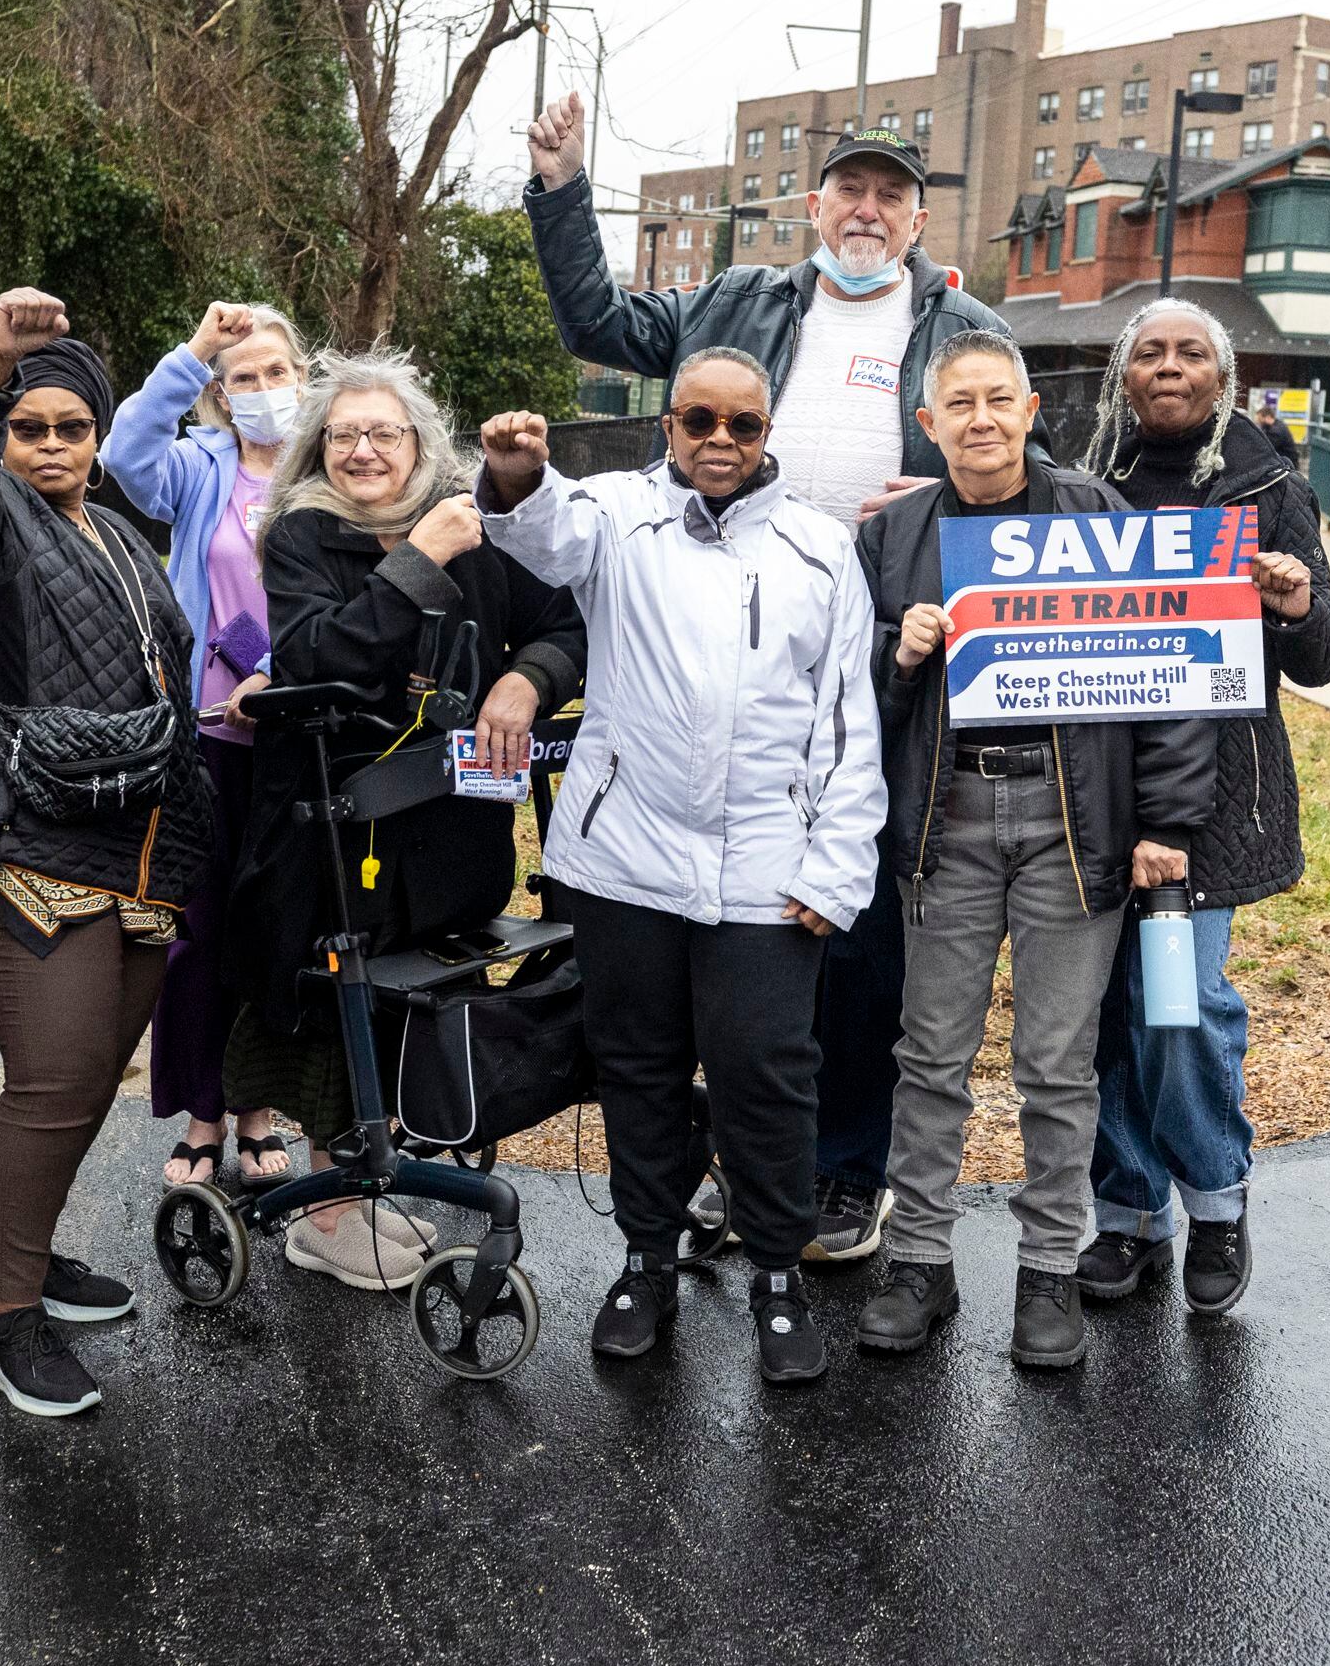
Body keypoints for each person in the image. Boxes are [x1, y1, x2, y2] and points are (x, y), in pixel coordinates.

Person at [524, 95, 1012, 1265]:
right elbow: (596, 319)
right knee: (717, 915)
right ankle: (736, 1162)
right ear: (813, 205)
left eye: (891, 193)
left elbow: (1012, 442)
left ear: (916, 218)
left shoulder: (963, 323)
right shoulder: (744, 299)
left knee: (852, 903)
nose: (868, 208)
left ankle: (839, 1170)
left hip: (898, 626)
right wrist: (561, 186)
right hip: (724, 613)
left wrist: (949, 485)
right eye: (850, 187)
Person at [474, 347, 885, 1386]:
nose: (719, 440)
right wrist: (518, 472)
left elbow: (847, 721)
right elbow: (539, 527)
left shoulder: (820, 546)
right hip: (627, 862)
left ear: (765, 436)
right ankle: (646, 1258)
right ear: (667, 427)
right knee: (640, 1069)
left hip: (767, 871)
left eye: (741, 424)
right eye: (698, 418)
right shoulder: (617, 514)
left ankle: (779, 1273)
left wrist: (835, 868)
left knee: (766, 1075)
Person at [855, 331, 1214, 1371]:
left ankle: (1049, 1269)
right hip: (947, 819)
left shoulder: (1096, 517)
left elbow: (1170, 674)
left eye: (997, 399)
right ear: (928, 424)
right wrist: (900, 654)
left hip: (1074, 825)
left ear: (1027, 411)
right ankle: (920, 1256)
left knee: (1059, 1065)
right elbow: (842, 692)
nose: (978, 417)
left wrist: (1165, 824)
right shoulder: (895, 533)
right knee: (930, 1056)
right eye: (957, 402)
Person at [0, 288, 213, 1421]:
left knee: (85, 1081)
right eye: (28, 426)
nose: (47, 447)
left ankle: (15, 1257)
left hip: (135, 847)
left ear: (97, 430)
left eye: (68, 427)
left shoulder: (118, 530)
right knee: (49, 1083)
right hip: (27, 840)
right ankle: (9, 1324)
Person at [222, 350, 585, 1293]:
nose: (363, 452)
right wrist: (419, 559)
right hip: (337, 831)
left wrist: (525, 677)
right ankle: (330, 1204)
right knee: (343, 998)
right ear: (318, 448)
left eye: (384, 433)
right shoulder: (302, 534)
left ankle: (392, 1164)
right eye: (343, 435)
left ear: (420, 442)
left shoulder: (480, 525)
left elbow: (567, 624)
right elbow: (312, 656)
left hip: (458, 834)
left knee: (429, 994)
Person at [1074, 301, 1330, 1315]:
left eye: (1192, 352)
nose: (1170, 366)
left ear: (1223, 375)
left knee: (1178, 1003)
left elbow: (1324, 657)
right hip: (1097, 782)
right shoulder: (1078, 475)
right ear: (1123, 373)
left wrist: (1293, 603)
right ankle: (1128, 1213)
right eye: (1150, 352)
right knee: (1106, 1011)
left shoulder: (1271, 483)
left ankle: (1217, 1198)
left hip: (1217, 796)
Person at [105, 300, 310, 1194]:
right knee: (199, 931)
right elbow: (122, 457)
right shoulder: (199, 469)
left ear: (305, 378)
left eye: (276, 372)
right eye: (244, 377)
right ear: (220, 395)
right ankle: (201, 1113)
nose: (262, 390)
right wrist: (193, 351)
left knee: (278, 930)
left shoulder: (337, 464)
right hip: (211, 739)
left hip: (307, 737)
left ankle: (261, 1108)